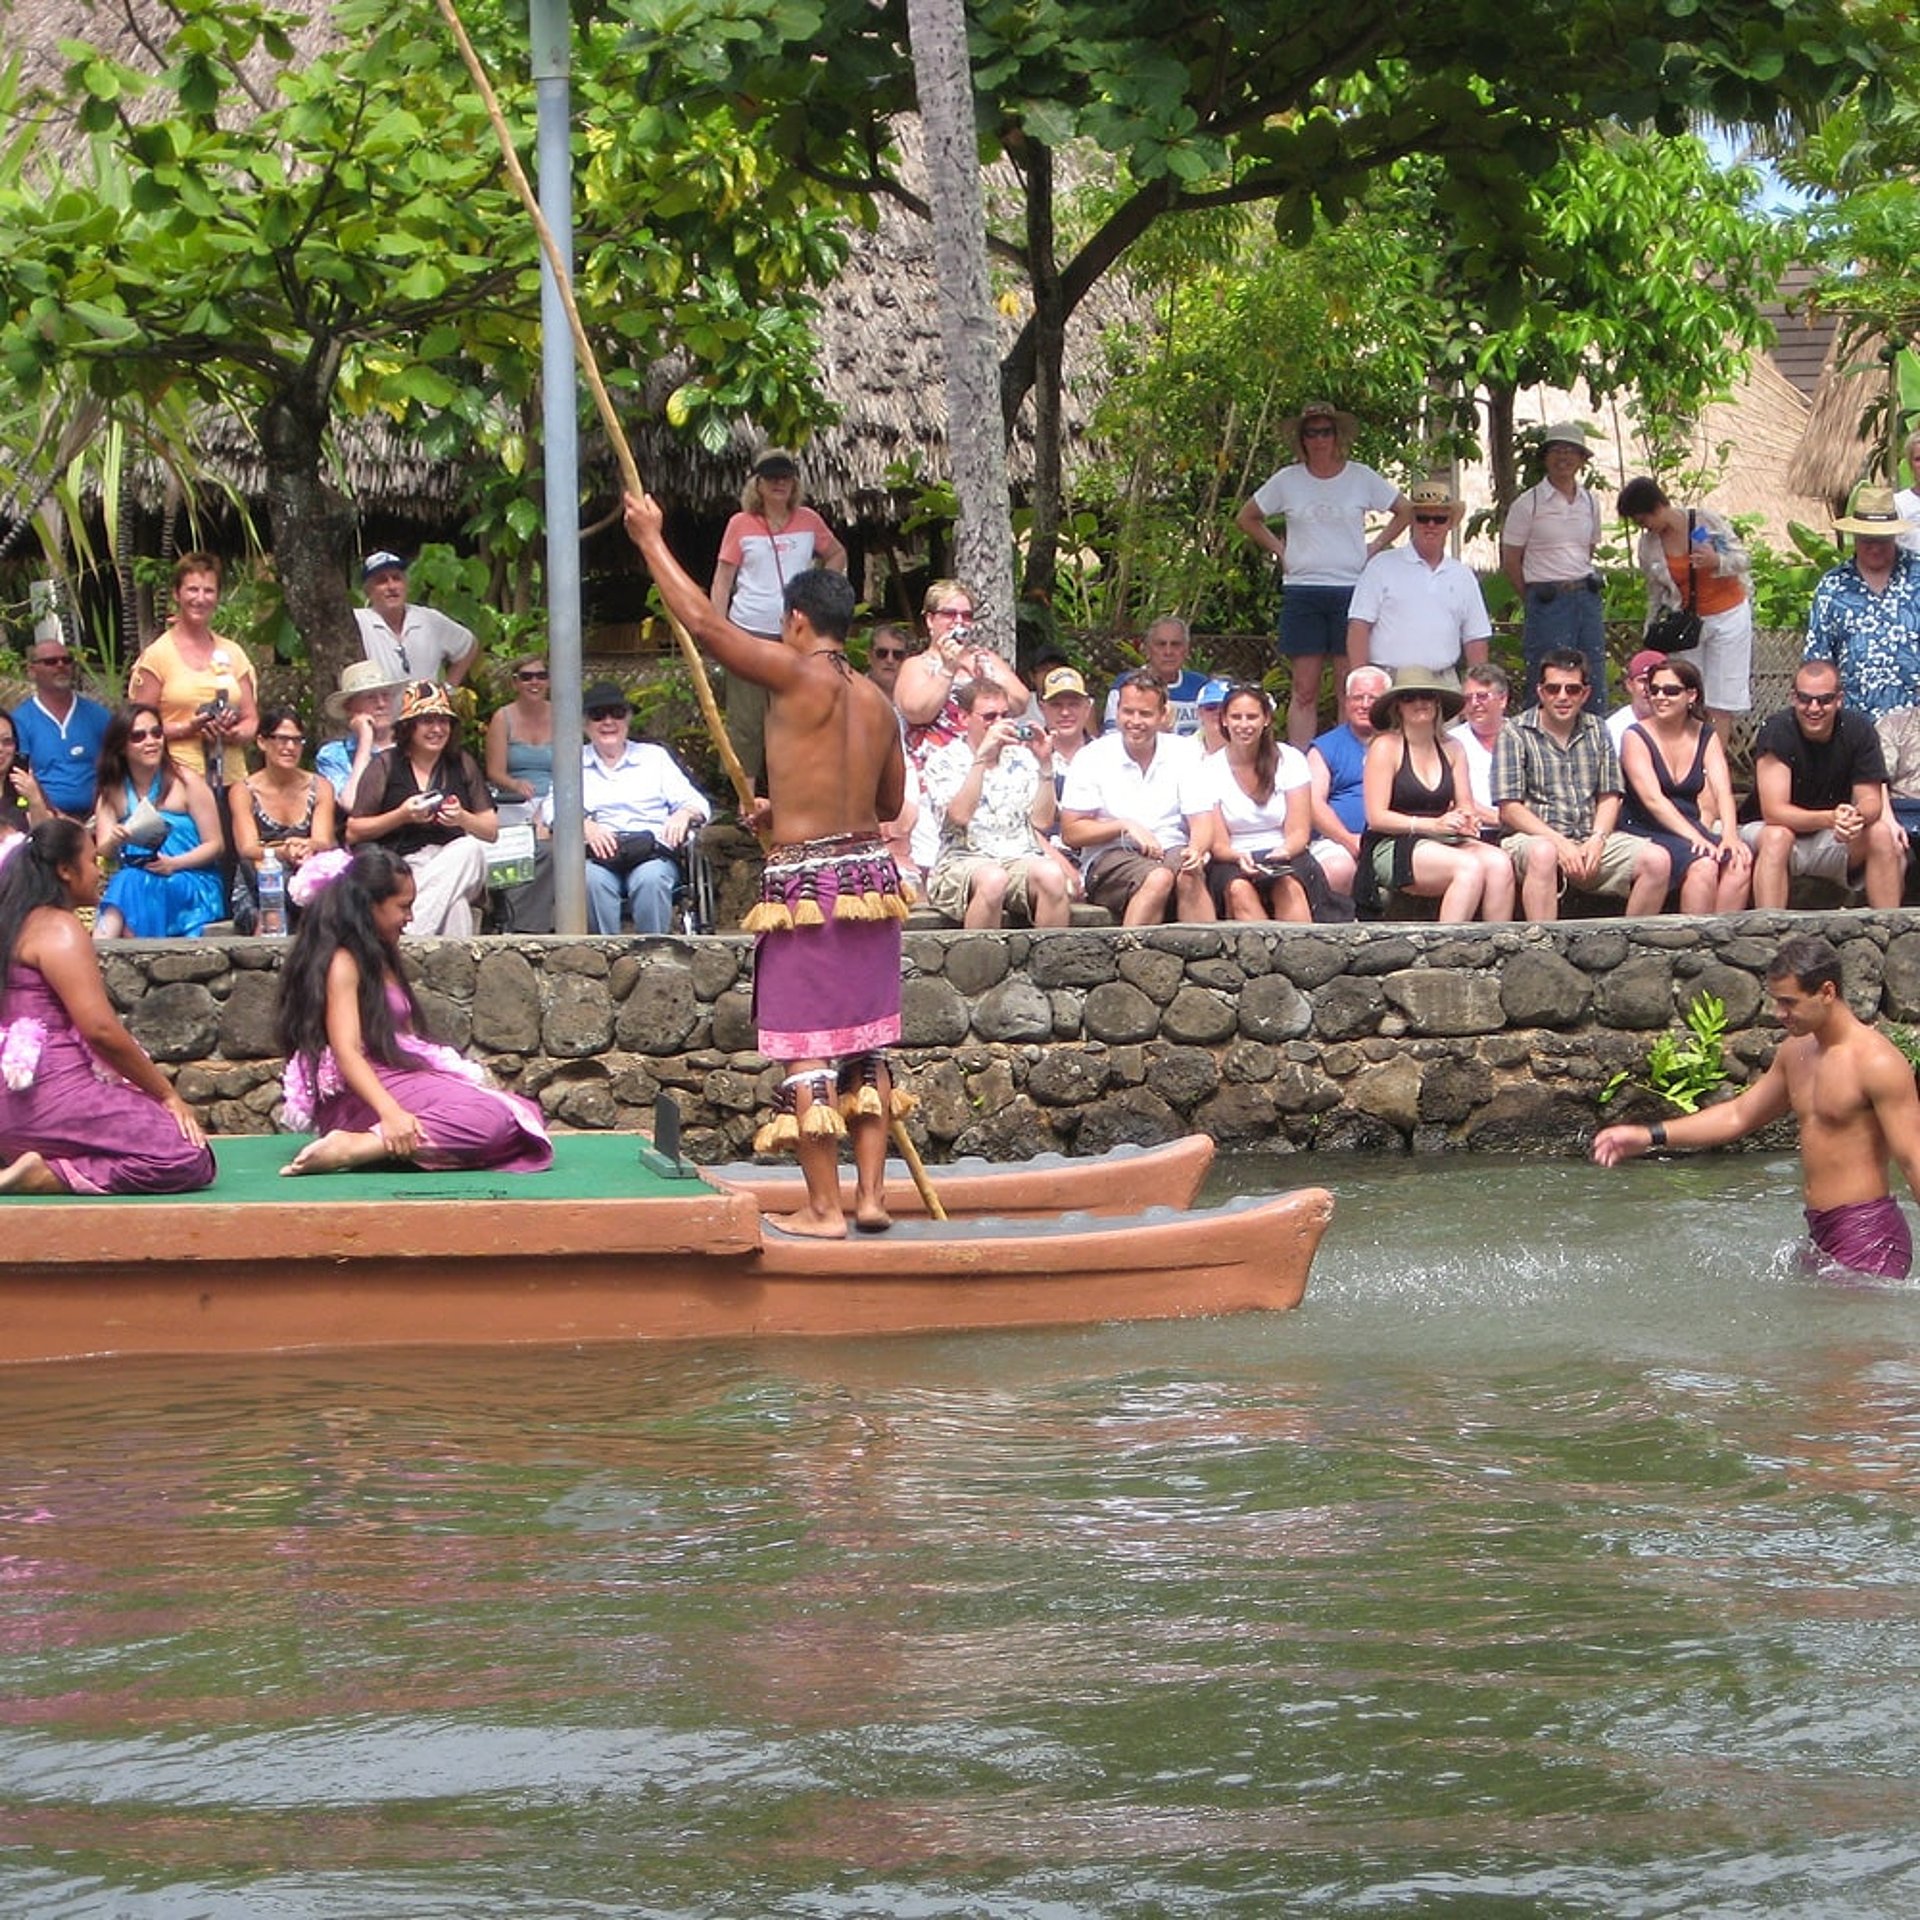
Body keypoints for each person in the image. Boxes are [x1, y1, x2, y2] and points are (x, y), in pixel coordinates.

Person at [626, 487, 907, 1241]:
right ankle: (873, 1198)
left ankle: (823, 1208)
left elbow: (707, 626)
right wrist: (784, 815)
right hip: (871, 885)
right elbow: (884, 802)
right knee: (864, 1043)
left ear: (796, 621)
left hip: (808, 890)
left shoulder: (794, 672)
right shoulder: (879, 703)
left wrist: (652, 539)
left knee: (810, 1048)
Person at [1594, 935, 1920, 1280]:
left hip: (1869, 1234)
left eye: (1789, 1003)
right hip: (1820, 1232)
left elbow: (1913, 1158)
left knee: (1855, 1336)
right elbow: (1739, 1115)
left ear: (1826, 992)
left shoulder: (1878, 1062)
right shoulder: (1796, 1052)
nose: (1780, 1014)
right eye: (1777, 1002)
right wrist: (1649, 1135)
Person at [276, 846, 551, 1176]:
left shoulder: (379, 954)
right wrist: (390, 1113)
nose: (410, 917)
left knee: (519, 1113)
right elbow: (346, 1051)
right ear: (369, 907)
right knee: (489, 1119)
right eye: (403, 907)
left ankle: (371, 1146)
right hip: (359, 1092)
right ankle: (359, 1146)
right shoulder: (342, 962)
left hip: (394, 1074)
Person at [0, 819, 214, 1194]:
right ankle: (46, 1175)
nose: (100, 870)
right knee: (186, 1155)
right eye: (92, 859)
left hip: (11, 1109)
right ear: (65, 871)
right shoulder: (58, 928)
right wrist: (166, 1093)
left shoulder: (11, 926)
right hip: (50, 1097)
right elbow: (99, 1030)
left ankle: (28, 1158)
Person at [1234, 399, 1413, 746]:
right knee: (1304, 686)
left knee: (1351, 680)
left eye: (1326, 432)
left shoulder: (1360, 476)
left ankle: (1351, 760)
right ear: (1302, 439)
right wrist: (1280, 549)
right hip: (1303, 588)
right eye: (1312, 433)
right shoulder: (1288, 480)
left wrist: (1374, 548)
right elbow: (1247, 516)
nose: (1319, 440)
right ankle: (1302, 763)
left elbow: (1404, 510)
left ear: (1337, 436)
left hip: (1351, 588)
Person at [1493, 649, 1671, 920]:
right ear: (1541, 692)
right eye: (1553, 689)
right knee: (1544, 853)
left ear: (1585, 693)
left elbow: (1610, 795)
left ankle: (1632, 944)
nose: (1562, 697)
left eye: (1572, 689)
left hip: (1591, 838)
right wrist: (1558, 842)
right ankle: (1542, 946)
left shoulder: (1598, 729)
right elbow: (1509, 808)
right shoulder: (1515, 732)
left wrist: (1598, 839)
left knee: (1658, 861)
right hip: (1534, 839)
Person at [709, 448, 849, 793]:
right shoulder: (739, 524)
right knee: (746, 720)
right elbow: (723, 579)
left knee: (792, 714)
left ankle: (793, 794)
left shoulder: (808, 520)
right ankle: (745, 801)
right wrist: (717, 630)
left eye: (786, 477)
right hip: (748, 633)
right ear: (757, 484)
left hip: (797, 636)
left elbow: (837, 553)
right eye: (771, 477)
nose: (779, 484)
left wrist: (819, 597)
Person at [540, 680, 710, 935]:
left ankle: (654, 954)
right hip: (599, 855)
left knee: (651, 880)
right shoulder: (574, 761)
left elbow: (698, 804)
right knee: (589, 881)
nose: (608, 722)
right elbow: (551, 809)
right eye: (598, 715)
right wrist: (583, 824)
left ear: (628, 719)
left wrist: (683, 813)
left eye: (617, 714)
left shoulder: (654, 757)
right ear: (586, 725)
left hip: (651, 851)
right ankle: (609, 959)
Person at [1739, 659, 1906, 910]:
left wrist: (1854, 817)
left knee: (1881, 833)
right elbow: (1774, 812)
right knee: (1777, 836)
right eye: (1805, 699)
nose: (1814, 707)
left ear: (1839, 699)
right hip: (1772, 832)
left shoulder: (1858, 730)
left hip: (1832, 836)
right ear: (1793, 698)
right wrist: (1830, 818)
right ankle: (1769, 932)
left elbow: (1871, 800)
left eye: (1824, 700)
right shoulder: (1777, 730)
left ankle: (1890, 932)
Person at [1361, 668, 1514, 922]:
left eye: (1427, 696)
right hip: (1394, 842)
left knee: (1499, 863)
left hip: (1444, 839)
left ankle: (1498, 944)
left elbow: (1465, 805)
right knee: (1468, 867)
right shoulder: (1386, 746)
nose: (1420, 703)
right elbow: (1376, 817)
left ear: (1437, 702)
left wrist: (1466, 819)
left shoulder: (1453, 747)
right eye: (1410, 698)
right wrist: (1431, 825)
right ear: (1398, 706)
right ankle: (1446, 949)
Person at [347, 681, 497, 937]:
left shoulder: (462, 763)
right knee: (456, 907)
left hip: (458, 862)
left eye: (443, 721)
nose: (437, 729)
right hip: (406, 868)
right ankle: (450, 976)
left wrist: (462, 817)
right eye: (427, 721)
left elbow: (490, 830)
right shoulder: (386, 764)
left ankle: (409, 934)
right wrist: (402, 815)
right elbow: (353, 831)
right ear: (409, 726)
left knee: (470, 848)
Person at [1060, 671, 1211, 925]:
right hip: (1110, 855)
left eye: (1145, 714)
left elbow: (1203, 821)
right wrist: (1124, 825)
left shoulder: (1185, 752)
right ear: (1117, 712)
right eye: (1128, 712)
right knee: (1158, 878)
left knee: (1190, 874)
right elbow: (1071, 832)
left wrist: (1196, 850)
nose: (1135, 721)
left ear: (1163, 715)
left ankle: (1208, 957)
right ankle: (1130, 953)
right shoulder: (1093, 756)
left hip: (1170, 848)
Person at [920, 676, 1071, 929]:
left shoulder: (1022, 758)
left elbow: (1042, 822)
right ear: (964, 718)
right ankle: (979, 965)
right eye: (989, 717)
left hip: (1018, 857)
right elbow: (959, 816)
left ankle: (1049, 963)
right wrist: (981, 759)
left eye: (1004, 716)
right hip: (963, 860)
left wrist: (1045, 764)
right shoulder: (944, 760)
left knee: (1053, 875)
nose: (998, 724)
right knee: (993, 879)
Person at [1618, 476, 1753, 747]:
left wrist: (1717, 561)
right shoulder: (1649, 546)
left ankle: (1714, 763)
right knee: (1687, 692)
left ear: (1658, 507)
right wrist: (1651, 630)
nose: (1644, 527)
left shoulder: (1704, 523)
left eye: (1644, 519)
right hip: (1689, 624)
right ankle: (1688, 759)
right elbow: (1655, 593)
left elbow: (1743, 559)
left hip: (1729, 615)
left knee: (1721, 699)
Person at [1617, 658, 1752, 914]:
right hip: (1645, 826)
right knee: (1704, 863)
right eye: (1654, 690)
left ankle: (1725, 940)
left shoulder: (1705, 734)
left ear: (1691, 695)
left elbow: (1722, 790)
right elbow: (1653, 801)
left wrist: (1731, 836)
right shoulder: (1634, 736)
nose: (1660, 697)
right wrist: (1696, 838)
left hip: (1690, 823)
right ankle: (1694, 942)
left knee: (1740, 860)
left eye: (1670, 691)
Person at [1182, 683, 1320, 922]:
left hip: (1284, 853)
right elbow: (1218, 843)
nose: (1244, 725)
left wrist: (1282, 852)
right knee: (1239, 890)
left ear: (1266, 719)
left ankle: (1302, 952)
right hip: (1232, 858)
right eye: (1236, 717)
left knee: (1288, 885)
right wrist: (1238, 857)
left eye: (1252, 717)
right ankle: (1263, 955)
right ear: (1224, 720)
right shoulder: (1207, 770)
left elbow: (1299, 831)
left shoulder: (1291, 760)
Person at [90, 703, 225, 940]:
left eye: (157, 733)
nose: (150, 741)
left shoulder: (187, 782)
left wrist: (174, 863)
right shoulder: (112, 791)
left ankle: (101, 945)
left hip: (190, 879)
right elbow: (104, 848)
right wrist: (115, 838)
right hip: (140, 879)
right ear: (121, 746)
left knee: (130, 883)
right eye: (138, 736)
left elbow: (215, 844)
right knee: (132, 881)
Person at [127, 551, 259, 785]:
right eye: (192, 589)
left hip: (231, 780)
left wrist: (232, 733)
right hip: (177, 781)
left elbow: (251, 720)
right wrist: (187, 728)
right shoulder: (157, 656)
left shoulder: (234, 652)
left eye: (208, 591)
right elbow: (136, 728)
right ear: (176, 594)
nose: (200, 598)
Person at [1343, 480, 1492, 686]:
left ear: (1450, 523)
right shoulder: (1380, 566)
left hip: (1444, 680)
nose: (1431, 525)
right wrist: (1362, 682)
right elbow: (1359, 626)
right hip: (1389, 680)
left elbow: (1475, 639)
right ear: (1412, 520)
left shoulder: (1463, 575)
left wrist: (1477, 689)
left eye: (1439, 519)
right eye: (1423, 518)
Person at [1500, 424, 1606, 709]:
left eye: (1571, 452)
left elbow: (1589, 549)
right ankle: (1539, 746)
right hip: (1547, 599)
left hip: (1586, 596)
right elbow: (1511, 560)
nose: (1564, 458)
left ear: (1582, 459)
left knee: (1592, 671)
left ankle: (1593, 744)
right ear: (1545, 457)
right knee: (1547, 673)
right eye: (1557, 450)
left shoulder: (1590, 502)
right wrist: (1536, 596)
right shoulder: (1527, 504)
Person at [1803, 485, 1920, 720]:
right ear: (1854, 536)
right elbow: (1818, 660)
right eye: (1867, 539)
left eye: (1882, 539)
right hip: (1854, 726)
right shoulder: (1833, 586)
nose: (1875, 547)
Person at [230, 705, 337, 928]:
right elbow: (247, 848)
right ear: (262, 742)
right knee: (269, 919)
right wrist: (284, 851)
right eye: (282, 739)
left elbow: (323, 840)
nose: (290, 747)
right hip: (259, 880)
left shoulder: (321, 787)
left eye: (297, 741)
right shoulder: (244, 791)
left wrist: (307, 846)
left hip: (307, 876)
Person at [1305, 664, 1391, 897]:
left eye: (1372, 698)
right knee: (1338, 868)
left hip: (1394, 840)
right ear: (1346, 701)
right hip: (1337, 841)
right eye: (1357, 698)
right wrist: (1349, 840)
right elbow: (1313, 804)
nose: (1364, 705)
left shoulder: (1403, 744)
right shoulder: (1324, 748)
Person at [12, 636, 110, 819]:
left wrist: (103, 814)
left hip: (99, 816)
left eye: (66, 660)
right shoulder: (20, 721)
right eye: (50, 662)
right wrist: (57, 816)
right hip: (46, 819)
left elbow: (114, 767)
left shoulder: (99, 716)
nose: (60, 665)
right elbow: (22, 777)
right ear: (32, 670)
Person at [354, 551, 477, 688]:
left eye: (397, 578)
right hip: (382, 708)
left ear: (406, 585)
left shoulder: (428, 619)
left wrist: (448, 690)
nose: (391, 586)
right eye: (382, 581)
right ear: (368, 591)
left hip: (428, 709)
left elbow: (468, 644)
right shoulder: (358, 622)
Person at [316, 660, 407, 808]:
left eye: (385, 695)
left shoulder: (410, 745)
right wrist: (365, 740)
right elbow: (352, 804)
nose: (381, 704)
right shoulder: (333, 754)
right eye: (370, 697)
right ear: (349, 707)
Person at [1101, 616, 1211, 735]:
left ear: (1186, 650)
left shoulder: (1201, 686)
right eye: (1161, 644)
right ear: (1147, 650)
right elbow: (1112, 736)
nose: (1168, 652)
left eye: (1175, 644)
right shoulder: (1126, 685)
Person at [1448, 661, 1511, 837]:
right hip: (1471, 832)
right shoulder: (1451, 742)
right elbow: (1451, 798)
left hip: (1524, 834)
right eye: (1467, 698)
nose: (1474, 704)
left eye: (1482, 696)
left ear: (1503, 699)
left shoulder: (1524, 737)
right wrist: (1505, 819)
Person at [484, 654, 555, 805]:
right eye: (526, 677)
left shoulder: (562, 716)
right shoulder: (502, 718)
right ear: (515, 683)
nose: (534, 682)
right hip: (515, 801)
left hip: (556, 801)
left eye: (541, 676)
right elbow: (495, 772)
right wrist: (515, 785)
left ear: (548, 681)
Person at [1605, 648, 1665, 751]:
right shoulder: (1613, 729)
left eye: (1658, 681)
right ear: (1629, 685)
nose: (1649, 688)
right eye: (1643, 681)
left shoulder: (1687, 727)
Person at [863, 622, 913, 702]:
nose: (890, 660)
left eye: (897, 654)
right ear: (869, 656)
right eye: (882, 653)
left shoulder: (915, 695)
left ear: (906, 658)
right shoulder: (854, 692)